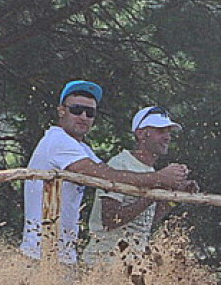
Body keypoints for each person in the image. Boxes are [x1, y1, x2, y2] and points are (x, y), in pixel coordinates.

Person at [20, 81, 190, 264]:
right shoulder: (58, 140)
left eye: (90, 112)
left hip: (61, 254)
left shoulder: (81, 148)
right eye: (77, 110)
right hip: (43, 254)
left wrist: (169, 194)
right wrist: (159, 180)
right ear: (61, 111)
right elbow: (104, 177)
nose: (84, 116)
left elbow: (110, 175)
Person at [83, 105, 197, 274]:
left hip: (131, 268)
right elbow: (110, 220)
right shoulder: (120, 164)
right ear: (142, 134)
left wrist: (173, 197)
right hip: (102, 266)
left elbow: (147, 221)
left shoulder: (152, 173)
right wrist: (153, 192)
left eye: (168, 132)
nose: (167, 137)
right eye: (160, 131)